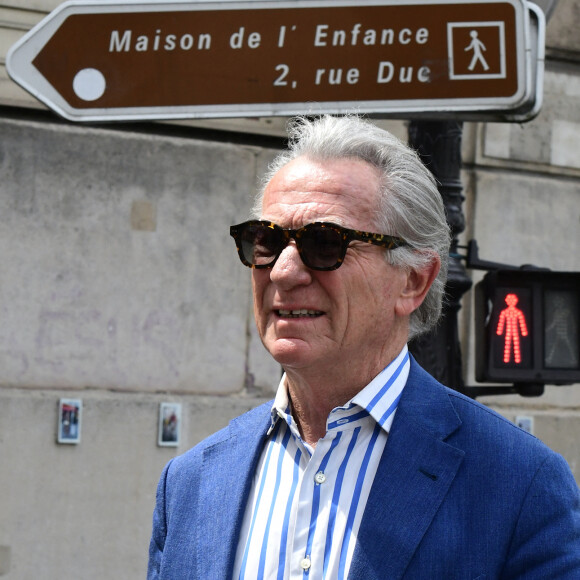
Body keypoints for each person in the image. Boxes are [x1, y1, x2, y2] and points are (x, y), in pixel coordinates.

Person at [148, 115, 580, 579]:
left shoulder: (518, 484)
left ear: (413, 281)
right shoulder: (190, 484)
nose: (282, 272)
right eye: (267, 241)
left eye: (324, 243)